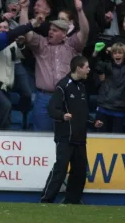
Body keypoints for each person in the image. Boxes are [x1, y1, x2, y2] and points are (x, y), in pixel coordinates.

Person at [41, 55, 103, 204]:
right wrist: (63, 116)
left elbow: (82, 112)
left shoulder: (82, 87)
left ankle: (72, 200)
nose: (89, 69)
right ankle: (46, 200)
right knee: (60, 169)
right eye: (87, 67)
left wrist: (93, 122)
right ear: (79, 68)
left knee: (80, 171)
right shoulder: (62, 86)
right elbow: (52, 109)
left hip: (80, 137)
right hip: (65, 136)